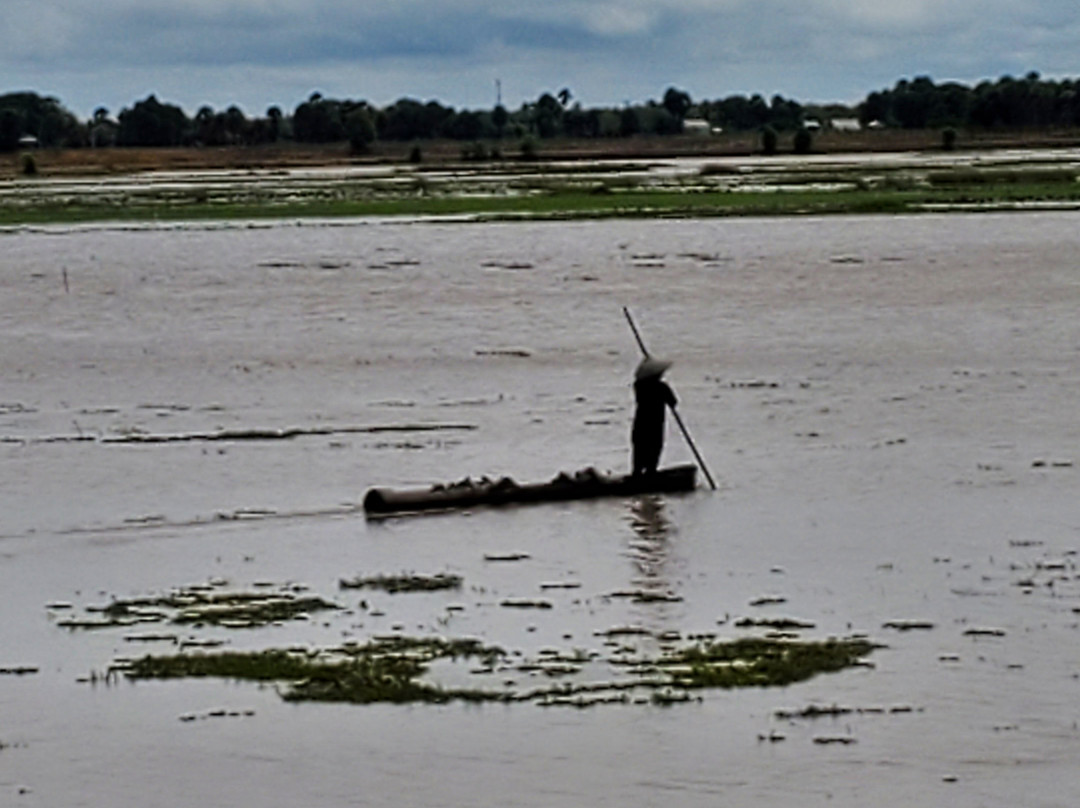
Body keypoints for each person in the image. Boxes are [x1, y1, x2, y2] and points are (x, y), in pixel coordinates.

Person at [631, 357, 677, 476]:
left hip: (640, 422)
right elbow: (673, 402)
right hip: (655, 423)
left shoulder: (639, 385)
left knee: (639, 448)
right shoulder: (660, 387)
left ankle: (637, 474)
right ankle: (650, 473)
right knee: (654, 447)